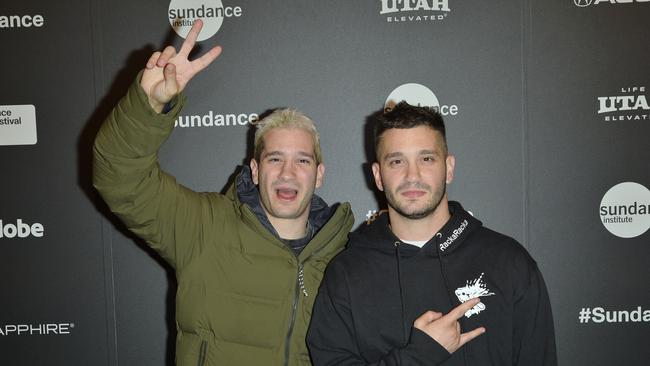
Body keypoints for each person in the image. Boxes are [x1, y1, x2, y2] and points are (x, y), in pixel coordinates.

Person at [93, 20, 353, 366]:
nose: (287, 173)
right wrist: (148, 107)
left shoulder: (343, 254)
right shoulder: (204, 226)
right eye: (275, 159)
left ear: (319, 174)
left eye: (302, 161)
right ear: (256, 170)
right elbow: (120, 176)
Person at [307, 102, 557, 365]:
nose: (412, 175)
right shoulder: (346, 273)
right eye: (396, 161)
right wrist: (420, 356)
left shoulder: (509, 263)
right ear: (378, 175)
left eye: (426, 158)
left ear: (448, 168)